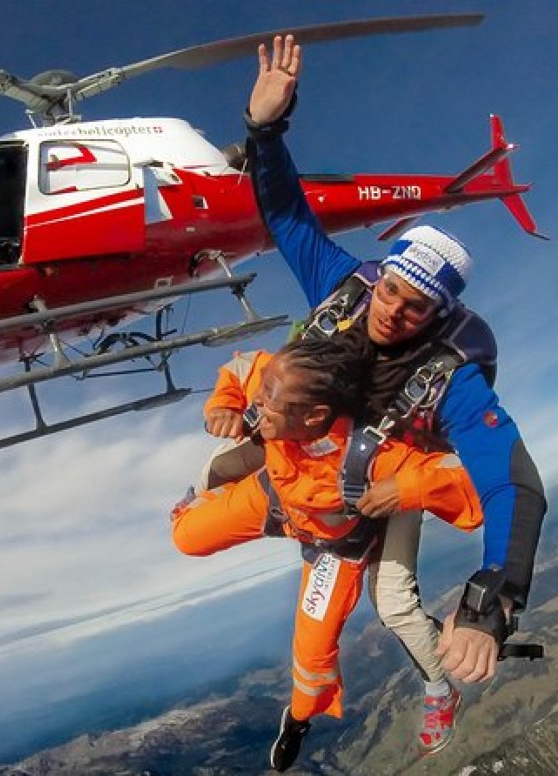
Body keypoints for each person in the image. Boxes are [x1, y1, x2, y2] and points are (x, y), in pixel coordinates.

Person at [243, 35, 546, 755]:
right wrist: (265, 130)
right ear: (383, 275)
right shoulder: (346, 289)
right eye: (392, 292)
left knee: (389, 600)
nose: (391, 312)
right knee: (234, 461)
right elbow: (286, 215)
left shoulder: (452, 378)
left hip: (392, 472)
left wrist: (492, 599)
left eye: (415, 308)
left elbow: (516, 482)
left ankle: (438, 690)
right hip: (329, 467)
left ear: (439, 316)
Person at [172, 334, 483, 773]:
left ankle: (299, 719)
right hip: (277, 497)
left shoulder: (377, 453)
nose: (257, 405)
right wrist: (221, 405)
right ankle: (211, 489)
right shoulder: (287, 381)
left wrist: (406, 489)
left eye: (269, 402)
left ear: (315, 415)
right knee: (187, 536)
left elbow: (470, 479)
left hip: (336, 545)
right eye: (260, 398)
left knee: (314, 653)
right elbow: (242, 368)